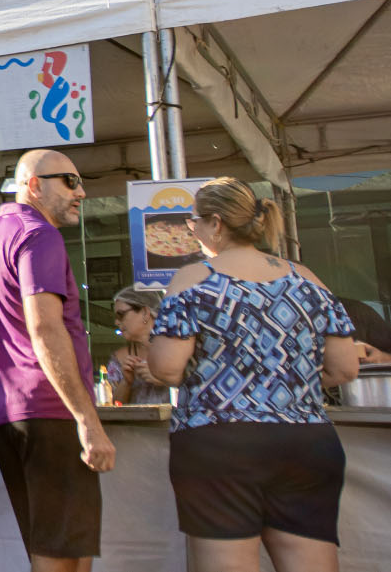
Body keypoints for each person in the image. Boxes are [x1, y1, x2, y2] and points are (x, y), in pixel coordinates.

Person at [148, 177, 359, 572]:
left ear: (215, 223)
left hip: (219, 443)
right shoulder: (307, 279)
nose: (192, 232)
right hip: (306, 441)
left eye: (192, 223)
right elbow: (345, 368)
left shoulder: (195, 280)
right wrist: (285, 382)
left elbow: (167, 367)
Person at [0, 149, 114, 572]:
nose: (80, 192)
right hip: (50, 410)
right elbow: (45, 328)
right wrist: (87, 419)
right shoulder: (39, 234)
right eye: (69, 181)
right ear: (33, 185)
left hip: (8, 413)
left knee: (49, 548)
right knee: (65, 557)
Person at [104, 287, 167, 405]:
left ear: (145, 313)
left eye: (121, 315)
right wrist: (126, 382)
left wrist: (166, 379)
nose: (116, 322)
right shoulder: (119, 359)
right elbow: (115, 404)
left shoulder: (177, 349)